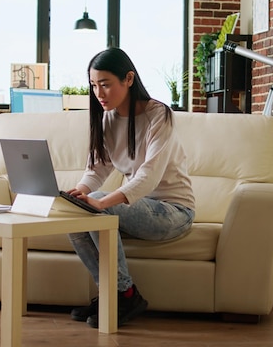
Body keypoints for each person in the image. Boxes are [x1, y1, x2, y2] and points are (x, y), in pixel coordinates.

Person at [67, 47, 196, 328]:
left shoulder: (159, 115)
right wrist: (79, 194)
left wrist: (102, 201)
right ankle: (111, 293)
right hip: (135, 210)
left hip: (173, 212)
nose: (99, 93)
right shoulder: (108, 117)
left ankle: (126, 294)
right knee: (76, 218)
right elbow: (98, 168)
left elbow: (148, 175)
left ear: (128, 79)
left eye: (105, 84)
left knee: (98, 204)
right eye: (93, 85)